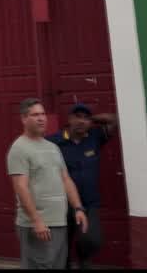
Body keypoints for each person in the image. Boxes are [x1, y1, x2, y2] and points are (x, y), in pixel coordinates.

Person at [7, 97, 88, 269]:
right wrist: (37, 220)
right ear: (24, 119)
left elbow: (66, 180)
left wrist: (78, 208)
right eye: (35, 115)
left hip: (59, 222)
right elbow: (20, 187)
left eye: (43, 114)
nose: (41, 118)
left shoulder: (52, 147)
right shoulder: (19, 148)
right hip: (38, 225)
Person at [52, 103, 117, 269]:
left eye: (84, 117)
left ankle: (83, 259)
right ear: (69, 119)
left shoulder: (94, 137)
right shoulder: (55, 142)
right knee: (61, 248)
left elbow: (114, 120)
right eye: (77, 117)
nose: (81, 121)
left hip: (89, 204)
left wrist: (91, 120)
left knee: (92, 240)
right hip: (63, 204)